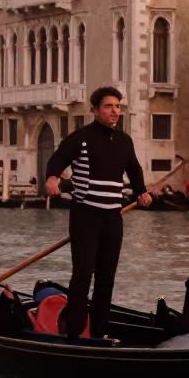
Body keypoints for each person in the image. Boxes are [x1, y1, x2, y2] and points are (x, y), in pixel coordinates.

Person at [45, 86, 152, 340]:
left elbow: (135, 171)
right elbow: (58, 159)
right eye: (108, 106)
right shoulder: (80, 138)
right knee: (82, 278)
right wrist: (52, 178)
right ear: (95, 110)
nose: (115, 111)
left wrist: (142, 192)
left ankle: (99, 334)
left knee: (106, 280)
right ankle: (73, 334)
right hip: (86, 217)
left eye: (117, 106)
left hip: (112, 219)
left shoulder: (124, 141)